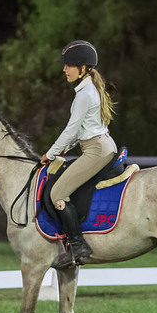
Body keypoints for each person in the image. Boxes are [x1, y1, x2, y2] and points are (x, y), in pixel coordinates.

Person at [41, 40, 117, 268]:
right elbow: (79, 133)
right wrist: (59, 151)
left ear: (83, 68)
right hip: (100, 145)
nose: (64, 69)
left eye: (69, 65)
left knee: (58, 194)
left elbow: (71, 130)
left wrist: (50, 153)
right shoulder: (89, 89)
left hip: (96, 150)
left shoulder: (84, 94)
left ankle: (78, 246)